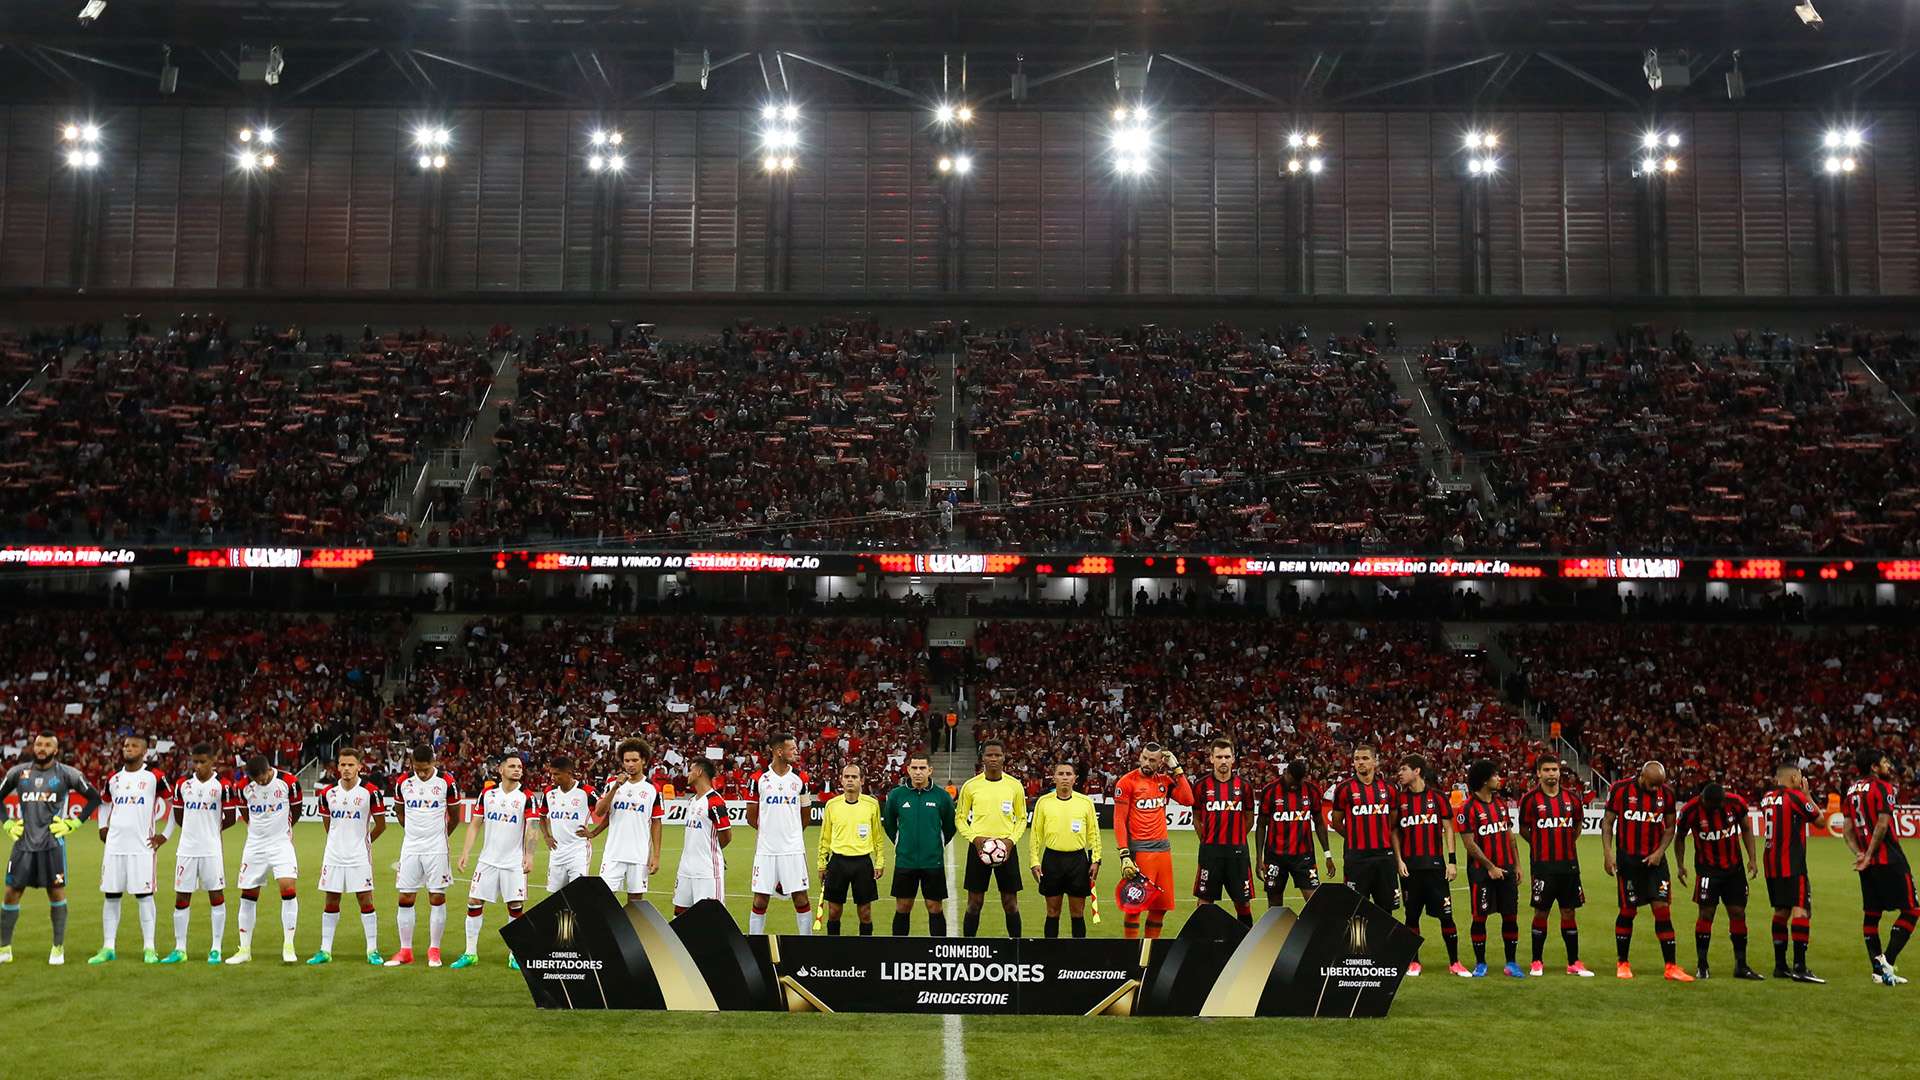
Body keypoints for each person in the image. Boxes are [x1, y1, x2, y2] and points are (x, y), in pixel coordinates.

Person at [0, 732, 102, 966]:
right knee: (11, 893)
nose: (42, 748)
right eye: (39, 744)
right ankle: (4, 947)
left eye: (47, 745)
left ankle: (58, 948)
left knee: (55, 893)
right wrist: (6, 822)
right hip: (23, 844)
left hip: (52, 844)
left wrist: (73, 823)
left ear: (55, 750)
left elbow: (94, 798)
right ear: (33, 747)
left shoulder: (67, 774)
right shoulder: (18, 772)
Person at [89, 732, 173, 965]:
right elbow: (104, 803)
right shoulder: (114, 778)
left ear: (144, 751)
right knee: (111, 895)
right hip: (115, 847)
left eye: (134, 746)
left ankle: (149, 948)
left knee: (144, 896)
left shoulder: (154, 776)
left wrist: (165, 834)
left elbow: (173, 804)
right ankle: (108, 947)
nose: (128, 749)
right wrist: (102, 826)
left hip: (142, 846)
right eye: (126, 745)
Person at [1600, 760, 1688, 981]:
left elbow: (1670, 827)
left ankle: (1671, 967)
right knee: (1628, 911)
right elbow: (1608, 822)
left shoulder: (1666, 794)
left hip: (1656, 863)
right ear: (1642, 776)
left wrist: (1660, 852)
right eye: (1652, 785)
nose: (1656, 789)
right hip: (1628, 862)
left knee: (1662, 910)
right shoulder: (1619, 790)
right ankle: (1623, 963)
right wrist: (1608, 853)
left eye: (1659, 785)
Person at [453, 752, 539, 970]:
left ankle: (514, 955)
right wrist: (465, 852)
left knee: (515, 906)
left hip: (513, 863)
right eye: (512, 766)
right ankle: (470, 952)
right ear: (501, 770)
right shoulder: (487, 794)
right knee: (474, 902)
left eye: (519, 766)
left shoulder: (527, 797)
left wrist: (529, 856)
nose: (517, 769)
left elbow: (532, 828)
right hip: (487, 861)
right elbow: (474, 824)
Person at [1844, 747, 1919, 986]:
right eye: (1885, 762)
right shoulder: (1884, 788)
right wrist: (1870, 853)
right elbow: (1882, 825)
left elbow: (1846, 830)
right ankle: (1887, 963)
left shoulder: (1851, 790)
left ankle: (1877, 970)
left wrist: (1860, 853)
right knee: (1912, 909)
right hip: (1889, 859)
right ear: (1874, 767)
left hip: (1869, 864)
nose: (1889, 766)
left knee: (1872, 915)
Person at [1675, 781, 1762, 981]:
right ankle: (1702, 964)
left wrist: (1752, 859)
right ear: (1703, 800)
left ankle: (1741, 965)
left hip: (1734, 870)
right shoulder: (1691, 810)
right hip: (1707, 870)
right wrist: (1680, 865)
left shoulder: (1736, 803)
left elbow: (1746, 829)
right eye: (1710, 806)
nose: (1714, 810)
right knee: (1706, 914)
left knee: (1738, 913)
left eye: (1717, 806)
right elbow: (1679, 837)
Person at [160, 743, 237, 965]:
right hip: (186, 850)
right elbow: (178, 816)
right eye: (195, 761)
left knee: (216, 896)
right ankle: (180, 948)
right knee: (182, 897)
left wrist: (210, 830)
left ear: (213, 762)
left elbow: (231, 818)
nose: (198, 766)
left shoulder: (223, 786)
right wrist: (195, 832)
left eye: (203, 762)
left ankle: (216, 948)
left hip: (211, 850)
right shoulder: (182, 785)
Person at [310, 746, 386, 966]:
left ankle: (372, 950)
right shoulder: (328, 794)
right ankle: (325, 950)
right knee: (331, 899)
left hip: (359, 856)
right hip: (333, 855)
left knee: (365, 899)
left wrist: (364, 842)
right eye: (342, 764)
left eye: (350, 765)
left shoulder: (370, 792)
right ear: (337, 767)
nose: (346, 769)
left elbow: (380, 825)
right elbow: (329, 825)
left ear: (360, 767)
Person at [1516, 757, 1591, 977]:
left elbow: (1577, 826)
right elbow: (1524, 829)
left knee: (1569, 912)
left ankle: (1573, 962)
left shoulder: (1572, 798)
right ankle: (1537, 961)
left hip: (1569, 866)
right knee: (1542, 911)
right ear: (1538, 773)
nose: (1552, 774)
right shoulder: (1530, 800)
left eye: (1555, 769)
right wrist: (1540, 844)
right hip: (1543, 867)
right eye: (1547, 770)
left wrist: (1565, 843)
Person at [389, 745, 461, 967]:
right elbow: (400, 812)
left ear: (434, 762)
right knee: (405, 898)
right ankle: (405, 950)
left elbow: (455, 816)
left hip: (436, 848)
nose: (421, 773)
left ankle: (434, 950)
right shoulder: (403, 782)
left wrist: (441, 837)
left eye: (425, 768)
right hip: (410, 847)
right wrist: (412, 832)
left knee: (436, 897)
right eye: (417, 768)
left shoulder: (446, 782)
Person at [1113, 742, 1192, 940]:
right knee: (1134, 906)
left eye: (1153, 760)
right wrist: (1124, 854)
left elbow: (1188, 800)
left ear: (1160, 763)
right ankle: (1130, 953)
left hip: (1163, 852)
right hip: (1140, 852)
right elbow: (1119, 820)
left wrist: (1177, 768)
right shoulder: (1126, 782)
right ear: (1140, 756)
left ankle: (1149, 953)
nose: (1147, 763)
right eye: (1145, 758)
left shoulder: (1164, 781)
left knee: (1160, 908)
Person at [229, 755, 302, 964]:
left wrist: (286, 830)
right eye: (255, 779)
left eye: (262, 777)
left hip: (281, 843)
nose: (260, 782)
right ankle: (244, 949)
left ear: (269, 769)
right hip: (255, 845)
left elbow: (295, 810)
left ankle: (289, 945)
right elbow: (245, 813)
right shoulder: (243, 786)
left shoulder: (289, 782)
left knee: (288, 888)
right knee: (248, 894)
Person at [1394, 753, 1462, 977]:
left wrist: (1452, 861)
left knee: (1446, 915)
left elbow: (1449, 829)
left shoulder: (1438, 797)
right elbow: (1394, 830)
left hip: (1435, 868)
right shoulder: (1399, 800)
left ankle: (1454, 962)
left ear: (1417, 771)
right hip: (1410, 869)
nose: (1400, 773)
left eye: (1404, 769)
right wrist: (1399, 859)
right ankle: (1414, 962)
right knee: (1411, 916)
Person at [1455, 759, 1523, 979]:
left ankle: (1511, 963)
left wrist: (1518, 865)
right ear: (1485, 780)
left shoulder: (1501, 804)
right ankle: (1480, 963)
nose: (1499, 779)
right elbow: (1469, 843)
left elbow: (1510, 836)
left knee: (1510, 916)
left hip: (1507, 869)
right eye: (1495, 775)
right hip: (1481, 872)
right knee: (1480, 917)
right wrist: (1490, 867)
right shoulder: (1467, 808)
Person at [1758, 762, 1825, 982]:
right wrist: (1808, 795)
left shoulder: (1766, 798)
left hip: (1771, 864)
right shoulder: (1795, 797)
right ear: (1794, 778)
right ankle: (1800, 966)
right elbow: (1820, 821)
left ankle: (1780, 966)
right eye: (1799, 776)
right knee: (1800, 910)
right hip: (1792, 863)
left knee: (1781, 911)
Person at [956, 739, 1027, 938]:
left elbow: (1021, 819)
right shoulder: (971, 786)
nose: (993, 759)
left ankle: (1016, 949)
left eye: (997, 755)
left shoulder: (1014, 786)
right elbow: (960, 818)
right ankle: (968, 948)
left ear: (1004, 758)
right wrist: (975, 838)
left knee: (1010, 903)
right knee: (974, 903)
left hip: (1007, 849)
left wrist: (1011, 841)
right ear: (982, 758)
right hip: (979, 850)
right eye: (989, 755)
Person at [746, 731, 814, 936]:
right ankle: (755, 944)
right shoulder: (758, 778)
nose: (796, 751)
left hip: (792, 849)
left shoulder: (801, 778)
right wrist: (769, 833)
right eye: (792, 748)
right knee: (760, 898)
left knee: (800, 897)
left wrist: (790, 833)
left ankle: (807, 942)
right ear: (778, 751)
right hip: (766, 850)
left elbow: (806, 814)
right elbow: (751, 816)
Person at [883, 751, 956, 936]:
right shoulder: (896, 796)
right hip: (905, 861)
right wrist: (901, 842)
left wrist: (935, 844)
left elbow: (949, 826)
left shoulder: (942, 797)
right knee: (903, 906)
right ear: (908, 769)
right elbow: (890, 824)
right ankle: (899, 950)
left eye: (922, 768)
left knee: (934, 907)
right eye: (914, 768)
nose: (918, 772)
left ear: (930, 770)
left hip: (933, 862)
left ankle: (938, 952)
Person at [589, 739, 664, 911]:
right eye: (627, 761)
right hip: (614, 853)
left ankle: (632, 936)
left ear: (644, 760)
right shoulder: (612, 784)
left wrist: (656, 856)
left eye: (634, 760)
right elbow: (599, 812)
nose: (630, 765)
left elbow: (656, 822)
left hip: (639, 855)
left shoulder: (653, 788)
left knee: (635, 903)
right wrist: (615, 787)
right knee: (603, 898)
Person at [1029, 760, 1100, 939]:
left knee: (1077, 912)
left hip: (1078, 861)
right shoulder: (1044, 802)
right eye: (1061, 774)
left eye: (1068, 774)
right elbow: (1035, 835)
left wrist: (1096, 860)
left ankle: (1078, 956)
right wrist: (1034, 861)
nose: (1065, 778)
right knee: (1052, 911)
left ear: (1075, 778)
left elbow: (1094, 834)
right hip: (1052, 860)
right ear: (1054, 778)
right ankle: (1051, 955)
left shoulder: (1085, 802)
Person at [1327, 745, 1401, 916]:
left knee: (1386, 909)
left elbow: (1393, 819)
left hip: (1384, 857)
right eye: (1357, 759)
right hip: (1356, 858)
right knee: (1356, 910)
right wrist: (1354, 836)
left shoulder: (1389, 788)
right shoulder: (1344, 789)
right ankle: (1358, 943)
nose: (1360, 762)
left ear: (1375, 762)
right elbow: (1336, 822)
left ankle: (1382, 943)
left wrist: (1380, 833)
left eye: (1365, 758)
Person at [1256, 759, 1336, 911]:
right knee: (1274, 903)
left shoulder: (1311, 790)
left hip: (1304, 857)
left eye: (1300, 780)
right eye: (1293, 779)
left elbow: (1319, 823)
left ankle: (1312, 933)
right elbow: (1260, 825)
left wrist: (1328, 855)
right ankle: (1278, 934)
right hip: (1275, 856)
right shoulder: (1270, 791)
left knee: (1314, 902)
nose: (1296, 784)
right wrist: (1259, 858)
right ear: (1286, 773)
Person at [1191, 739, 1256, 927]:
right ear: (1211, 758)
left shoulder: (1244, 786)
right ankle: (1202, 944)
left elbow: (1249, 818)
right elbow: (1196, 817)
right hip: (1210, 853)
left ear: (1233, 759)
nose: (1223, 761)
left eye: (1227, 756)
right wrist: (1205, 839)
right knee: (1204, 902)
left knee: (1242, 902)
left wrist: (1238, 839)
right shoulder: (1201, 786)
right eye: (1219, 757)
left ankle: (1246, 943)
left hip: (1237, 853)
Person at [816, 763, 885, 936]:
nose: (850, 780)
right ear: (841, 780)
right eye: (846, 777)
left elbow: (877, 836)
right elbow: (825, 837)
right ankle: (834, 949)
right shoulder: (832, 805)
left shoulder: (871, 804)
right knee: (833, 912)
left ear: (861, 780)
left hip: (862, 863)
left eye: (854, 777)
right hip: (838, 862)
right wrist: (821, 864)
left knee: (865, 913)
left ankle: (864, 951)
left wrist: (880, 861)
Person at [671, 759, 731, 915]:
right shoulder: (692, 801)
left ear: (699, 772)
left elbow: (726, 835)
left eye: (691, 770)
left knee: (710, 916)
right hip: (686, 867)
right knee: (680, 911)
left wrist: (713, 851)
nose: (688, 774)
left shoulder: (715, 801)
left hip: (707, 869)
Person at [538, 756, 597, 895]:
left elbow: (606, 811)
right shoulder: (549, 792)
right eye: (551, 773)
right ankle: (561, 918)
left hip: (578, 851)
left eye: (556, 774)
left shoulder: (586, 791)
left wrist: (594, 833)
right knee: (556, 896)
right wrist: (546, 836)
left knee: (577, 894)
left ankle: (578, 918)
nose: (552, 777)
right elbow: (541, 816)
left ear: (569, 773)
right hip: (557, 852)